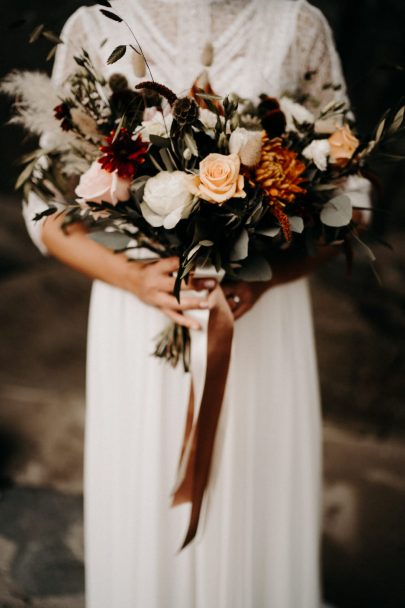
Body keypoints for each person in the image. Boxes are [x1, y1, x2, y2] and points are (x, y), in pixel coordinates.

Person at [23, 1, 370, 606]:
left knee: (254, 488)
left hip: (260, 313)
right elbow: (43, 205)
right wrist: (131, 279)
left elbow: (352, 193)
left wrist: (268, 278)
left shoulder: (297, 23)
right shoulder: (95, 24)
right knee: (144, 484)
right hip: (141, 311)